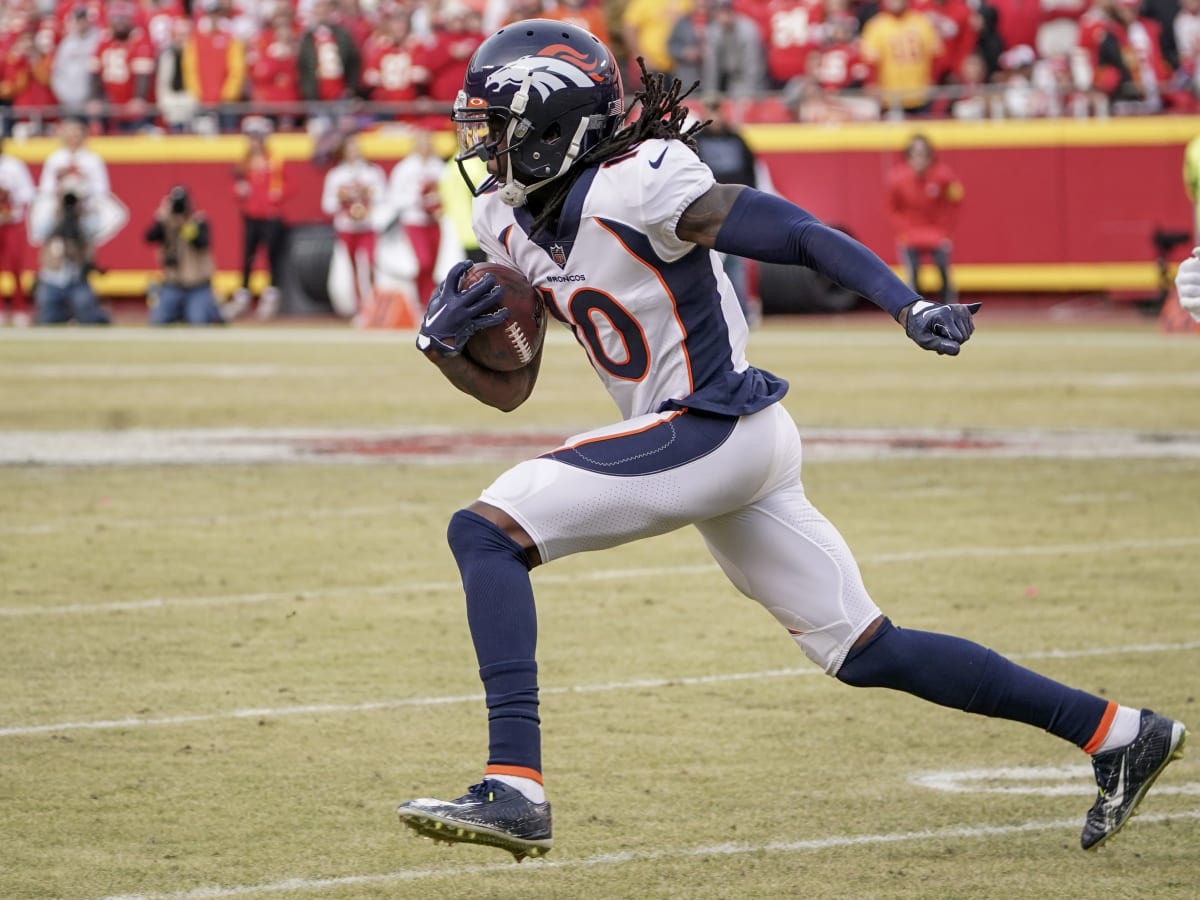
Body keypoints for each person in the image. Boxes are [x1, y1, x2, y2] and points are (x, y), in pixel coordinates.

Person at [395, 19, 1188, 863]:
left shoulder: (641, 183)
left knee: (484, 531)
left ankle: (515, 786)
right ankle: (1117, 733)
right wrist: (441, 349)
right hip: (711, 443)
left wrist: (907, 305)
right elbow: (512, 390)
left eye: (497, 129)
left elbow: (800, 233)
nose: (484, 149)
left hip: (713, 425)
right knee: (866, 648)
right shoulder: (506, 217)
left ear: (556, 125)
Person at [886, 133, 963, 305]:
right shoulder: (897, 179)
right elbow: (893, 209)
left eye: (923, 154)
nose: (919, 159)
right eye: (914, 154)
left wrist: (946, 232)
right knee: (913, 275)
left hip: (936, 233)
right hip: (910, 233)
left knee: (944, 271)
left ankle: (949, 308)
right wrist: (902, 231)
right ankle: (915, 309)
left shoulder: (944, 176)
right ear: (908, 156)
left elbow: (954, 203)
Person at [319, 131, 386, 322]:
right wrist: (344, 203)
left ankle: (374, 304)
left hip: (368, 227)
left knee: (371, 264)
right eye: (350, 148)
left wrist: (368, 202)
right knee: (352, 268)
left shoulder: (372, 172)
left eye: (356, 148)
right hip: (346, 228)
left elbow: (382, 196)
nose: (354, 152)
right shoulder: (336, 175)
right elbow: (327, 204)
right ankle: (360, 308)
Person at [228, 116, 287, 319]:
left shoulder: (274, 160)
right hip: (251, 215)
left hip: (270, 215)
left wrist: (277, 196)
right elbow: (238, 186)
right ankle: (243, 295)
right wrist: (239, 192)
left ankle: (271, 295)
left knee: (271, 256)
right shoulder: (244, 162)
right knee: (248, 256)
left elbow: (289, 183)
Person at [31, 173, 110, 326]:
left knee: (89, 319)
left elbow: (95, 229)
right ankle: (64, 315)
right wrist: (57, 212)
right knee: (46, 320)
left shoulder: (86, 217)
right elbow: (40, 231)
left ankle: (92, 315)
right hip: (52, 279)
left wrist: (82, 213)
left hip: (77, 279)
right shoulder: (50, 213)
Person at [144, 185, 224, 325]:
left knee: (197, 321)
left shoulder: (198, 221)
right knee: (158, 321)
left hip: (197, 286)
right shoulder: (165, 222)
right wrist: (160, 219)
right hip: (173, 285)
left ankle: (213, 310)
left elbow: (201, 242)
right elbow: (149, 237)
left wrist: (185, 224)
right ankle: (181, 311)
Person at [384, 127, 445, 309]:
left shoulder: (439, 166)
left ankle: (429, 300)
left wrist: (437, 203)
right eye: (422, 142)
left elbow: (446, 191)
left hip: (434, 221)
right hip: (414, 221)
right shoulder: (405, 168)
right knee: (423, 261)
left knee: (433, 263)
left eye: (428, 142)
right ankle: (422, 299)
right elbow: (394, 197)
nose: (425, 146)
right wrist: (417, 200)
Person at [0, 135, 35, 326]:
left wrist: (10, 203)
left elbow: (27, 193)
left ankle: (19, 307)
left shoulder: (14, 166)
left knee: (15, 265)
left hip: (12, 221)